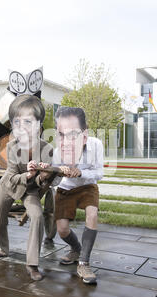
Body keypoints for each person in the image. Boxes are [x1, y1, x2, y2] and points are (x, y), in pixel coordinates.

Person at [0, 94, 55, 281]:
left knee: (36, 216)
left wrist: (43, 176)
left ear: (39, 125)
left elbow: (43, 182)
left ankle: (32, 264)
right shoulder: (11, 147)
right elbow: (11, 175)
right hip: (10, 185)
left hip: (30, 190)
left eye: (28, 121)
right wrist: (28, 174)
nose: (22, 127)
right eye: (17, 122)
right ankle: (3, 248)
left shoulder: (47, 149)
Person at [50, 106, 104, 284]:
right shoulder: (57, 152)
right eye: (61, 134)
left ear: (85, 134)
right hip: (66, 189)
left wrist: (80, 173)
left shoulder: (96, 145)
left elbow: (99, 173)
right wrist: (54, 172)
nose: (66, 141)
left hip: (88, 186)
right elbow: (54, 183)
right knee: (62, 230)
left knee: (92, 214)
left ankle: (84, 263)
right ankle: (76, 249)